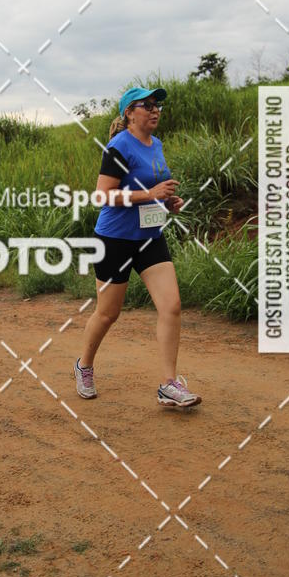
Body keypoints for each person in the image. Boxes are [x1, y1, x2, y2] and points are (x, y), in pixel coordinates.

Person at [75, 86, 201, 408]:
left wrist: (168, 201)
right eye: (147, 105)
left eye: (157, 104)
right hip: (114, 239)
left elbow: (153, 188)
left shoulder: (156, 144)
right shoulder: (118, 147)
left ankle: (168, 384)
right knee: (108, 313)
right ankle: (84, 365)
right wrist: (150, 194)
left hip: (149, 237)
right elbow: (102, 195)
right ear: (129, 113)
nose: (155, 109)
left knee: (171, 305)